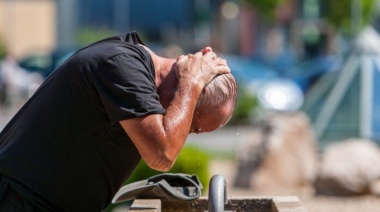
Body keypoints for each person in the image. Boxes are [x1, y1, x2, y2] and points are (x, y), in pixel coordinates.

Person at [0, 31, 237, 211]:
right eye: (192, 126)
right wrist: (191, 84)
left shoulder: (133, 71)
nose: (183, 132)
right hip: (18, 200)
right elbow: (162, 154)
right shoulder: (122, 65)